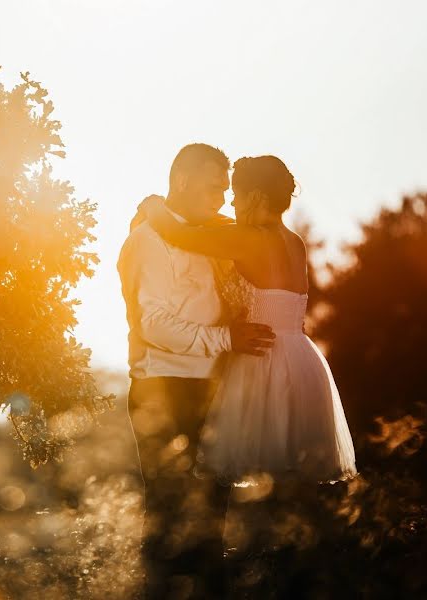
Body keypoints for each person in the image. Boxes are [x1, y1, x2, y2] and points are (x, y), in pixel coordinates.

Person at [141, 156, 358, 553]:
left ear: (256, 195)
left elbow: (179, 235)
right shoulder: (295, 243)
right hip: (303, 361)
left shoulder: (247, 239)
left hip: (264, 360)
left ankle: (240, 565)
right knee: (290, 483)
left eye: (237, 195)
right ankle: (294, 563)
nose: (232, 205)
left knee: (248, 476)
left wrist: (153, 205)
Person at [117, 144, 276, 599]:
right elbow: (153, 323)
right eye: (213, 187)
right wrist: (228, 339)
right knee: (169, 512)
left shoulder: (210, 233)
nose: (222, 198)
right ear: (182, 181)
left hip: (212, 386)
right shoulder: (146, 240)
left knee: (214, 511)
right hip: (163, 389)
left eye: (226, 190)